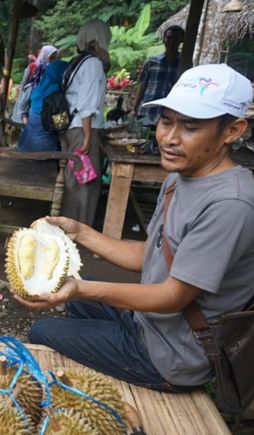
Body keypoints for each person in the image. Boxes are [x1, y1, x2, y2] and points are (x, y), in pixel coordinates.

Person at [15, 64, 254, 392]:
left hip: (170, 354)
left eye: (191, 127)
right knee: (73, 299)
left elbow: (173, 295)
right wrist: (80, 232)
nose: (169, 138)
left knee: (44, 330)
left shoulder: (231, 204)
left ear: (232, 130)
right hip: (149, 323)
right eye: (166, 121)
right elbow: (149, 255)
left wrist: (80, 288)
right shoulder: (178, 178)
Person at [60, 19, 112, 226]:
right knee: (86, 184)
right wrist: (88, 136)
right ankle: (79, 231)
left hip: (72, 128)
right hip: (83, 129)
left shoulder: (77, 61)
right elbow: (87, 104)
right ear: (97, 39)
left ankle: (68, 227)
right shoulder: (92, 64)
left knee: (74, 181)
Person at [17, 46, 67, 152]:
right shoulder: (56, 98)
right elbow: (61, 126)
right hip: (42, 153)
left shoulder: (38, 92)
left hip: (25, 146)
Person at [132, 25, 184, 123]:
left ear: (181, 41)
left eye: (176, 38)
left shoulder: (184, 64)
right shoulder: (151, 62)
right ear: (164, 39)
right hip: (147, 110)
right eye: (169, 37)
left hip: (169, 112)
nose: (172, 41)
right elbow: (142, 86)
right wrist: (134, 109)